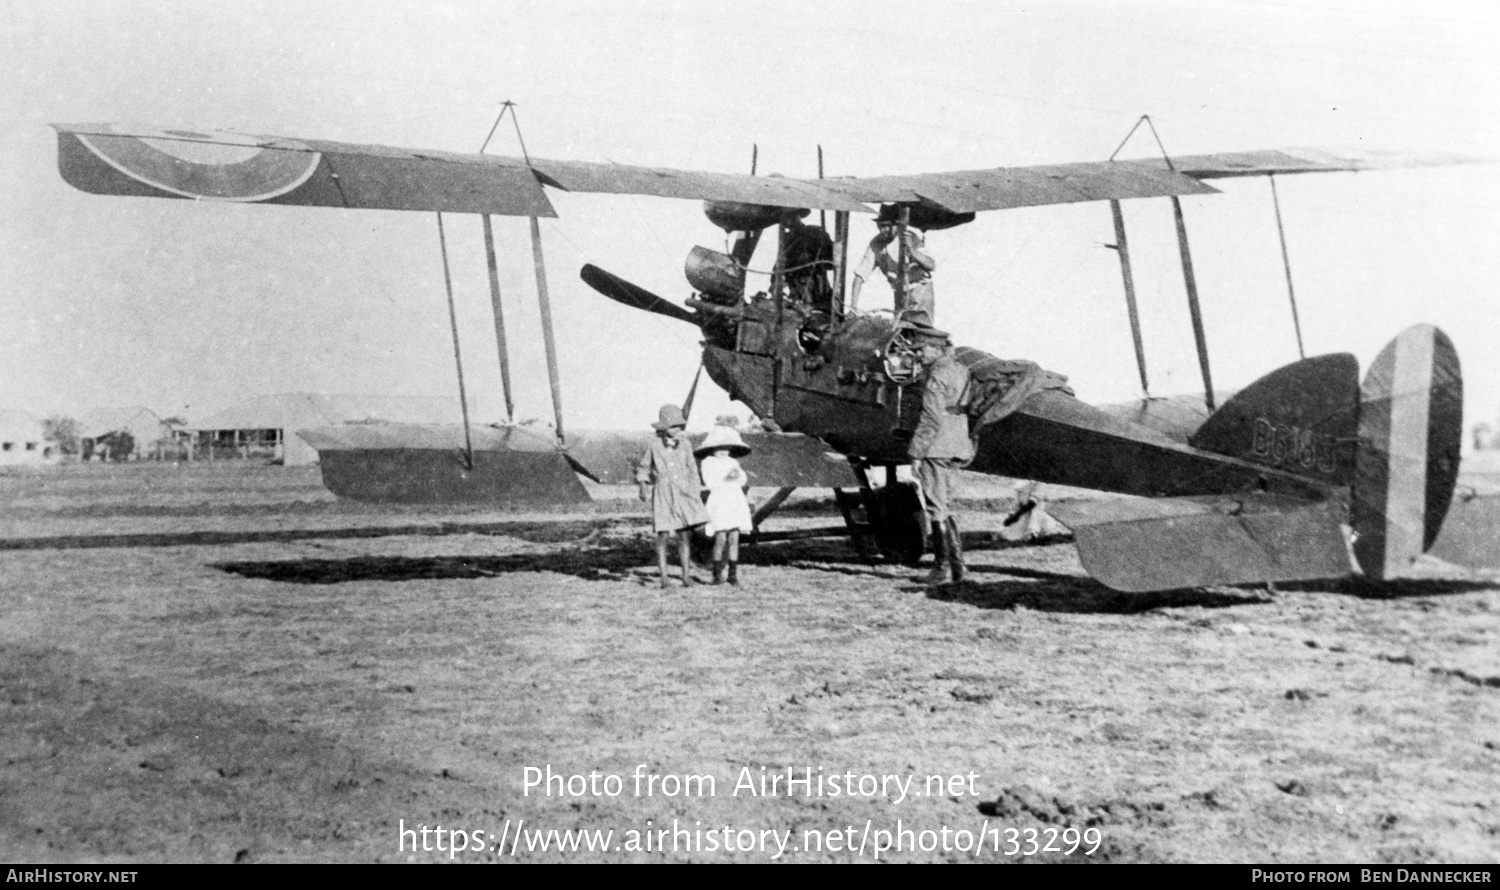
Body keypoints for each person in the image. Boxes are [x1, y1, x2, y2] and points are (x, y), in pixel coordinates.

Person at [905, 324, 974, 584]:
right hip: (958, 442)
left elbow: (931, 417)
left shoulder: (936, 375)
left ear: (935, 349)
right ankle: (958, 567)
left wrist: (916, 452)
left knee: (935, 506)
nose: (918, 355)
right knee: (947, 505)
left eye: (921, 350)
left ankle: (940, 568)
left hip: (937, 445)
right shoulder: (961, 369)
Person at [635, 404, 710, 588]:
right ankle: (664, 578)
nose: (676, 430)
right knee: (663, 535)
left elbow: (692, 468)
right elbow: (644, 467)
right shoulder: (653, 446)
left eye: (679, 426)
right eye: (672, 426)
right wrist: (643, 486)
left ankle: (686, 576)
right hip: (663, 494)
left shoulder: (685, 444)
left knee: (684, 535)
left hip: (683, 493)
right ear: (662, 428)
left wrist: (694, 490)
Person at [849, 204, 937, 325]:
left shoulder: (909, 237)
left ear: (897, 224)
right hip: (899, 294)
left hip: (920, 292)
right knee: (898, 331)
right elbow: (860, 275)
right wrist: (853, 307)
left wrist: (911, 251)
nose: (883, 230)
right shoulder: (876, 243)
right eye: (880, 226)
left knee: (920, 331)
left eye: (887, 226)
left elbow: (931, 265)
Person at [694, 425, 754, 585]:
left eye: (726, 447)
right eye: (719, 447)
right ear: (712, 448)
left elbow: (742, 478)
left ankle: (732, 574)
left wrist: (737, 475)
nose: (723, 451)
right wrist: (726, 478)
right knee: (720, 536)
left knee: (734, 537)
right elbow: (710, 481)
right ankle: (716, 574)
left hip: (734, 500)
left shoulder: (733, 461)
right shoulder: (708, 462)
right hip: (720, 501)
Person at [779, 209, 835, 316]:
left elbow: (832, 262)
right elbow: (780, 265)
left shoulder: (815, 233)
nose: (786, 220)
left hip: (816, 284)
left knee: (820, 315)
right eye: (784, 217)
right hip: (796, 287)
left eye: (790, 215)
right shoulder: (786, 239)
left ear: (798, 216)